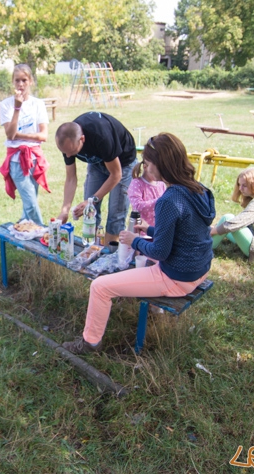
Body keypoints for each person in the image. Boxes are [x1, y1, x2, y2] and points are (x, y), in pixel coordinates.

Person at [62, 133, 215, 354]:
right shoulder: (199, 189)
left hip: (178, 277)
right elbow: (186, 231)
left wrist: (135, 241)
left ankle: (90, 343)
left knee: (100, 287)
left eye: (149, 163)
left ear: (161, 165)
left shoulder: (168, 200)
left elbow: (161, 252)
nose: (146, 168)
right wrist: (151, 230)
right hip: (201, 268)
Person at [55, 112, 137, 245]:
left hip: (123, 163)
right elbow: (71, 178)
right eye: (65, 152)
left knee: (115, 215)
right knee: (90, 213)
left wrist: (92, 200)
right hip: (97, 163)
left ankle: (109, 256)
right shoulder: (68, 142)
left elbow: (116, 175)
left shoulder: (101, 136)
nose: (69, 155)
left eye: (72, 151)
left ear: (82, 139)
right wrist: (65, 210)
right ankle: (92, 253)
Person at [0, 64, 50, 225]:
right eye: (17, 80)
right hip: (16, 160)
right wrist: (17, 108)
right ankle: (43, 234)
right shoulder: (6, 105)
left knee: (31, 200)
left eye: (24, 80)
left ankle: (24, 226)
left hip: (34, 157)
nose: (20, 84)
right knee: (31, 203)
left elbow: (44, 135)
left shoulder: (38, 104)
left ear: (31, 81)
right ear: (13, 82)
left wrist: (20, 136)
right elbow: (9, 133)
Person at [127, 159, 166, 226]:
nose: (158, 174)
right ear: (145, 167)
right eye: (155, 171)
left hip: (158, 228)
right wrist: (159, 201)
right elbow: (137, 206)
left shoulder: (161, 184)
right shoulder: (137, 183)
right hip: (141, 229)